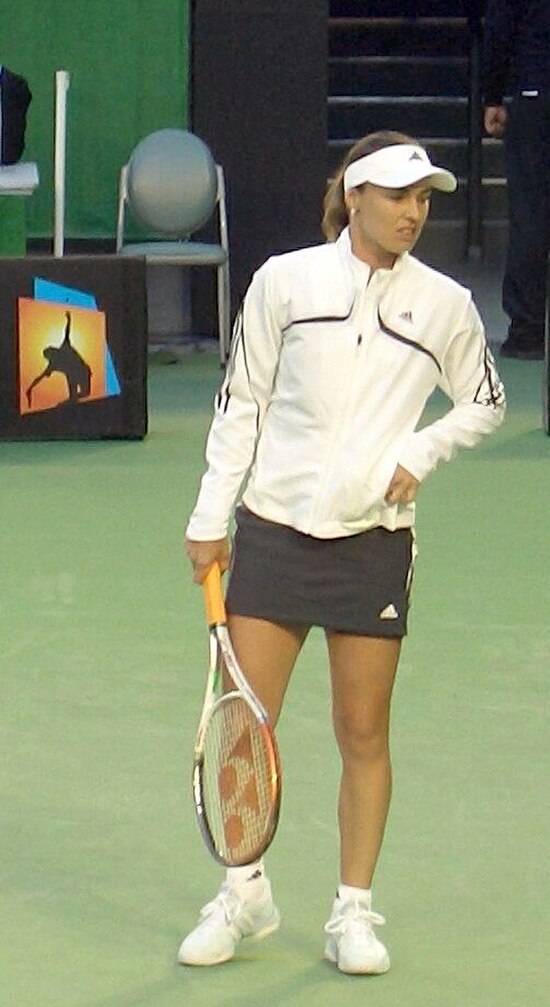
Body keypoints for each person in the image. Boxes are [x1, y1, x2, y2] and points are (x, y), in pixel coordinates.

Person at [179, 130, 505, 974]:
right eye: (398, 195)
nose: (414, 212)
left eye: (425, 197)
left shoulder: (445, 306)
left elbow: (485, 400)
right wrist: (211, 513)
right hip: (275, 531)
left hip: (371, 545)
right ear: (353, 195)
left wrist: (419, 452)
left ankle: (352, 912)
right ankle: (244, 892)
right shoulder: (284, 282)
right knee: (246, 730)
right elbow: (240, 404)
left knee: (364, 731)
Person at [482, 0, 550, 360]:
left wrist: (492, 95)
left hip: (534, 91)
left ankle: (527, 333)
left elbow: (499, 29)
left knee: (530, 215)